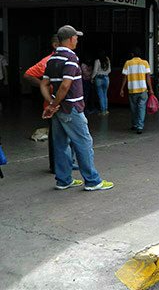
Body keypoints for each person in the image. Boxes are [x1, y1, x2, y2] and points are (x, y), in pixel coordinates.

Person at [40, 25, 113, 191]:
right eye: (76, 37)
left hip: (59, 111)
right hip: (71, 108)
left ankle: (64, 180)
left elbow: (44, 84)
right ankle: (93, 181)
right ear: (71, 39)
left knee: (60, 144)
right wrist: (55, 104)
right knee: (84, 143)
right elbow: (66, 86)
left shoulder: (52, 59)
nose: (77, 40)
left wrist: (51, 103)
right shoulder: (71, 59)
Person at [24, 34, 62, 172]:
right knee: (55, 137)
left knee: (64, 137)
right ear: (56, 45)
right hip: (52, 105)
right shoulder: (48, 61)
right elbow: (28, 74)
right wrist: (44, 85)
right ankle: (55, 166)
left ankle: (65, 163)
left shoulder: (66, 58)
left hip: (65, 105)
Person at [120, 47, 153, 134]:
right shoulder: (145, 63)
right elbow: (148, 77)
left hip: (132, 89)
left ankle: (135, 124)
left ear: (132, 54)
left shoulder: (128, 63)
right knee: (141, 108)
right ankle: (140, 126)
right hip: (143, 89)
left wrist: (122, 88)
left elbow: (125, 77)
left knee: (134, 108)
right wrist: (151, 89)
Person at [91, 51, 111, 116]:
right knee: (105, 94)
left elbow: (95, 71)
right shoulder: (107, 60)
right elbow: (109, 70)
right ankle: (106, 110)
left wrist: (92, 77)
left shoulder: (97, 61)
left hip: (99, 78)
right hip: (106, 78)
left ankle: (102, 111)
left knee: (100, 95)